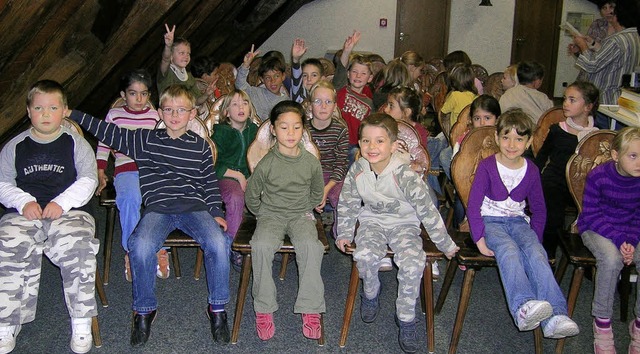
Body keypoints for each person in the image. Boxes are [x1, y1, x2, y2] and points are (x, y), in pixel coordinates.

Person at [69, 85, 231, 347]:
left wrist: (216, 212)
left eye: (181, 110)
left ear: (192, 114)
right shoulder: (147, 140)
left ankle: (218, 309)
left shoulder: (200, 146)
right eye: (168, 109)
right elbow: (109, 131)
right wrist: (74, 113)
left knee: (219, 242)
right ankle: (144, 310)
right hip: (158, 208)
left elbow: (209, 183)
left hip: (194, 207)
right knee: (140, 245)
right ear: (160, 113)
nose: (174, 115)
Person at [335, 113, 458, 353]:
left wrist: (445, 244)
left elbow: (427, 210)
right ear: (359, 143)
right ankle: (371, 292)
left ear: (393, 145)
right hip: (373, 222)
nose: (372, 147)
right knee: (365, 255)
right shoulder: (358, 170)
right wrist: (345, 232)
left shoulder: (404, 173)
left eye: (380, 141)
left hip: (404, 224)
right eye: (366, 141)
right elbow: (348, 202)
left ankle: (405, 316)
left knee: (413, 262)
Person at [0, 80, 99, 354]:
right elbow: (2, 182)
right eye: (39, 108)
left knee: (79, 246)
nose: (46, 114)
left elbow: (89, 180)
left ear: (64, 111)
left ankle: (81, 320)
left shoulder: (76, 144)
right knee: (8, 242)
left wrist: (61, 203)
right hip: (25, 212)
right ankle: (7, 321)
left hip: (70, 212)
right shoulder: (15, 146)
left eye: (53, 107)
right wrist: (23, 202)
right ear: (28, 111)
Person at [467, 109, 579, 339]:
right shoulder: (487, 166)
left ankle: (556, 316)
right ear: (497, 138)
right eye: (506, 137)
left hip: (518, 222)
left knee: (537, 254)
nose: (511, 144)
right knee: (508, 251)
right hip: (491, 222)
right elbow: (473, 205)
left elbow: (539, 209)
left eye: (519, 138)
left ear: (528, 142)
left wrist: (534, 240)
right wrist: (478, 237)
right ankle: (523, 307)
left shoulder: (532, 170)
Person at [244, 101, 325, 341]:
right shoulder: (266, 163)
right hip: (271, 214)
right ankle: (264, 307)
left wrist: (305, 209)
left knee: (311, 247)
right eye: (284, 127)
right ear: (273, 130)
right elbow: (251, 195)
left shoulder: (310, 162)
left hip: (300, 214)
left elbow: (316, 192)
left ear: (303, 130)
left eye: (296, 127)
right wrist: (263, 213)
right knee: (260, 245)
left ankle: (310, 308)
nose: (290, 133)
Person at [94, 69, 163, 282]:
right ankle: (133, 251)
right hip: (126, 168)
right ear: (124, 95)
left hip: (152, 169)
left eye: (144, 94)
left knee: (162, 197)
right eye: (133, 93)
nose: (139, 99)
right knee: (130, 198)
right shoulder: (114, 115)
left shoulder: (155, 116)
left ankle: (159, 247)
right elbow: (104, 144)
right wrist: (100, 172)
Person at [578, 127, 640, 354]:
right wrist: (620, 239)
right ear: (616, 156)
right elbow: (592, 215)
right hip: (597, 229)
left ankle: (639, 325)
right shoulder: (599, 176)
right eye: (633, 156)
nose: (639, 163)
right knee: (612, 259)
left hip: (630, 231)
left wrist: (631, 240)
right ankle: (602, 324)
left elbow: (639, 216)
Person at [535, 81, 599, 259]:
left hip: (582, 183)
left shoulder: (595, 135)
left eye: (572, 100)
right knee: (553, 216)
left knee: (596, 212)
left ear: (587, 107)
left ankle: (589, 253)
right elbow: (541, 157)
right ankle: (549, 256)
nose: (565, 103)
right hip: (555, 180)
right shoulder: (557, 129)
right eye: (565, 99)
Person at [572, 0, 640, 128]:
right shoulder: (634, 36)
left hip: (606, 100)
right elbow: (613, 58)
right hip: (621, 99)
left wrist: (582, 46)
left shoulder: (616, 40)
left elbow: (592, 65)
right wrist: (592, 44)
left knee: (600, 137)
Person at [212, 89, 259, 269]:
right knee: (236, 197)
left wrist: (253, 176)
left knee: (273, 192)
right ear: (226, 112)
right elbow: (213, 164)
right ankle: (234, 246)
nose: (241, 107)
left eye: (245, 103)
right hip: (225, 176)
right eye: (235, 104)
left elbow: (262, 155)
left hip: (250, 175)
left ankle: (270, 242)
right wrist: (237, 175)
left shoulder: (255, 131)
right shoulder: (221, 133)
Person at [307, 81, 349, 238]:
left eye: (328, 102)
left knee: (342, 196)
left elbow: (341, 164)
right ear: (310, 105)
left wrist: (326, 189)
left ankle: (341, 233)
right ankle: (302, 230)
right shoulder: (302, 129)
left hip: (333, 175)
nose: (323, 106)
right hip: (308, 174)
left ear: (334, 106)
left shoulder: (341, 130)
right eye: (318, 101)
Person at [332, 31, 374, 164]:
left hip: (355, 145)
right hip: (336, 140)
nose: (358, 76)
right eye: (354, 72)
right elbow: (341, 68)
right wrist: (347, 51)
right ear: (348, 74)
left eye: (363, 73)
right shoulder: (340, 89)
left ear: (370, 78)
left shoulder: (369, 103)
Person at [157, 24, 212, 106]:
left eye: (188, 53)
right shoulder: (166, 72)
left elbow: (196, 102)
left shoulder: (189, 77)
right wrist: (168, 46)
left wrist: (206, 94)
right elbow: (165, 60)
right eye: (182, 53)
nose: (186, 56)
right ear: (171, 56)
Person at [236, 45, 288, 121]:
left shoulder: (286, 102)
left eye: (276, 76)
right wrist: (245, 65)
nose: (272, 81)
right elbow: (240, 85)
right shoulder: (255, 93)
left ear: (283, 76)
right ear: (262, 79)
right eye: (268, 77)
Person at [441, 63, 478, 131]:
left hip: (456, 133)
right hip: (471, 133)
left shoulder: (455, 96)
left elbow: (443, 112)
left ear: (453, 81)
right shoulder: (477, 97)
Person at [290, 38, 326, 103]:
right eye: (305, 75)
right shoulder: (299, 96)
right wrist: (295, 60)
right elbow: (296, 79)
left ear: (322, 79)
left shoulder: (326, 96)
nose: (309, 79)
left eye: (314, 75)